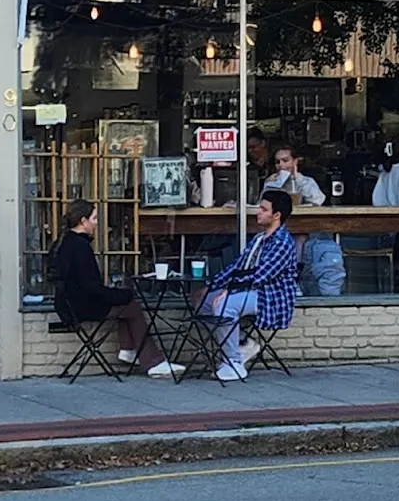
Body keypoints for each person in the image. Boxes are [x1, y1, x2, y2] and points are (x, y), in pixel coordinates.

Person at [51, 199, 183, 378]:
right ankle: (152, 361)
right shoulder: (80, 247)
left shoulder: (62, 243)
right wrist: (123, 294)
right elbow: (92, 287)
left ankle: (129, 350)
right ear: (83, 221)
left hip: (67, 304)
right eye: (94, 218)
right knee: (131, 306)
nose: (97, 223)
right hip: (82, 305)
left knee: (125, 304)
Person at [201, 189, 297, 381]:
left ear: (276, 215)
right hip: (248, 291)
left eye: (264, 209)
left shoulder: (282, 243)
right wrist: (213, 285)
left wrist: (229, 290)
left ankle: (233, 362)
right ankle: (242, 343)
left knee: (224, 304)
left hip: (269, 297)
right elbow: (238, 267)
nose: (258, 212)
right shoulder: (259, 239)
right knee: (203, 301)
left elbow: (260, 276)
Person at [266, 146, 344, 296]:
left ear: (295, 162)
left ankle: (295, 279)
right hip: (279, 227)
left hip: (305, 230)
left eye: (285, 160)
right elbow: (264, 205)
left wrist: (297, 178)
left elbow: (318, 199)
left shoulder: (306, 181)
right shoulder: (272, 182)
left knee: (300, 239)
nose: (281, 165)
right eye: (277, 162)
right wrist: (272, 185)